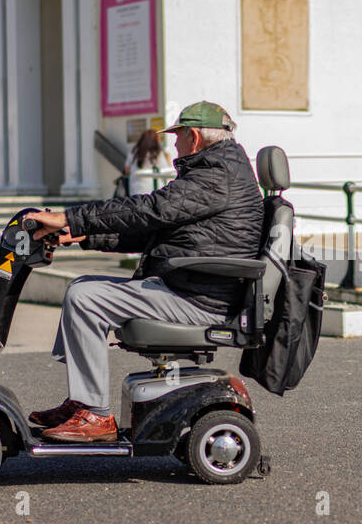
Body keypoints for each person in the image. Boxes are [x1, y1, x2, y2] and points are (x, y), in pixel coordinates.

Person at [23, 101, 263, 443]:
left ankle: (95, 414)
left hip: (198, 298)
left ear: (193, 137)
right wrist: (85, 234)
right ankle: (82, 401)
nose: (173, 145)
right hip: (192, 287)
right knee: (85, 286)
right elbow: (152, 230)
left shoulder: (216, 175)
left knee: (85, 296)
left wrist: (70, 217)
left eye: (177, 137)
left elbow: (150, 210)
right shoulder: (222, 169)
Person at [125, 129, 174, 195]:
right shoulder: (157, 153)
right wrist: (168, 159)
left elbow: (127, 170)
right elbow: (166, 172)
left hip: (135, 191)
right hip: (153, 192)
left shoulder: (133, 152)